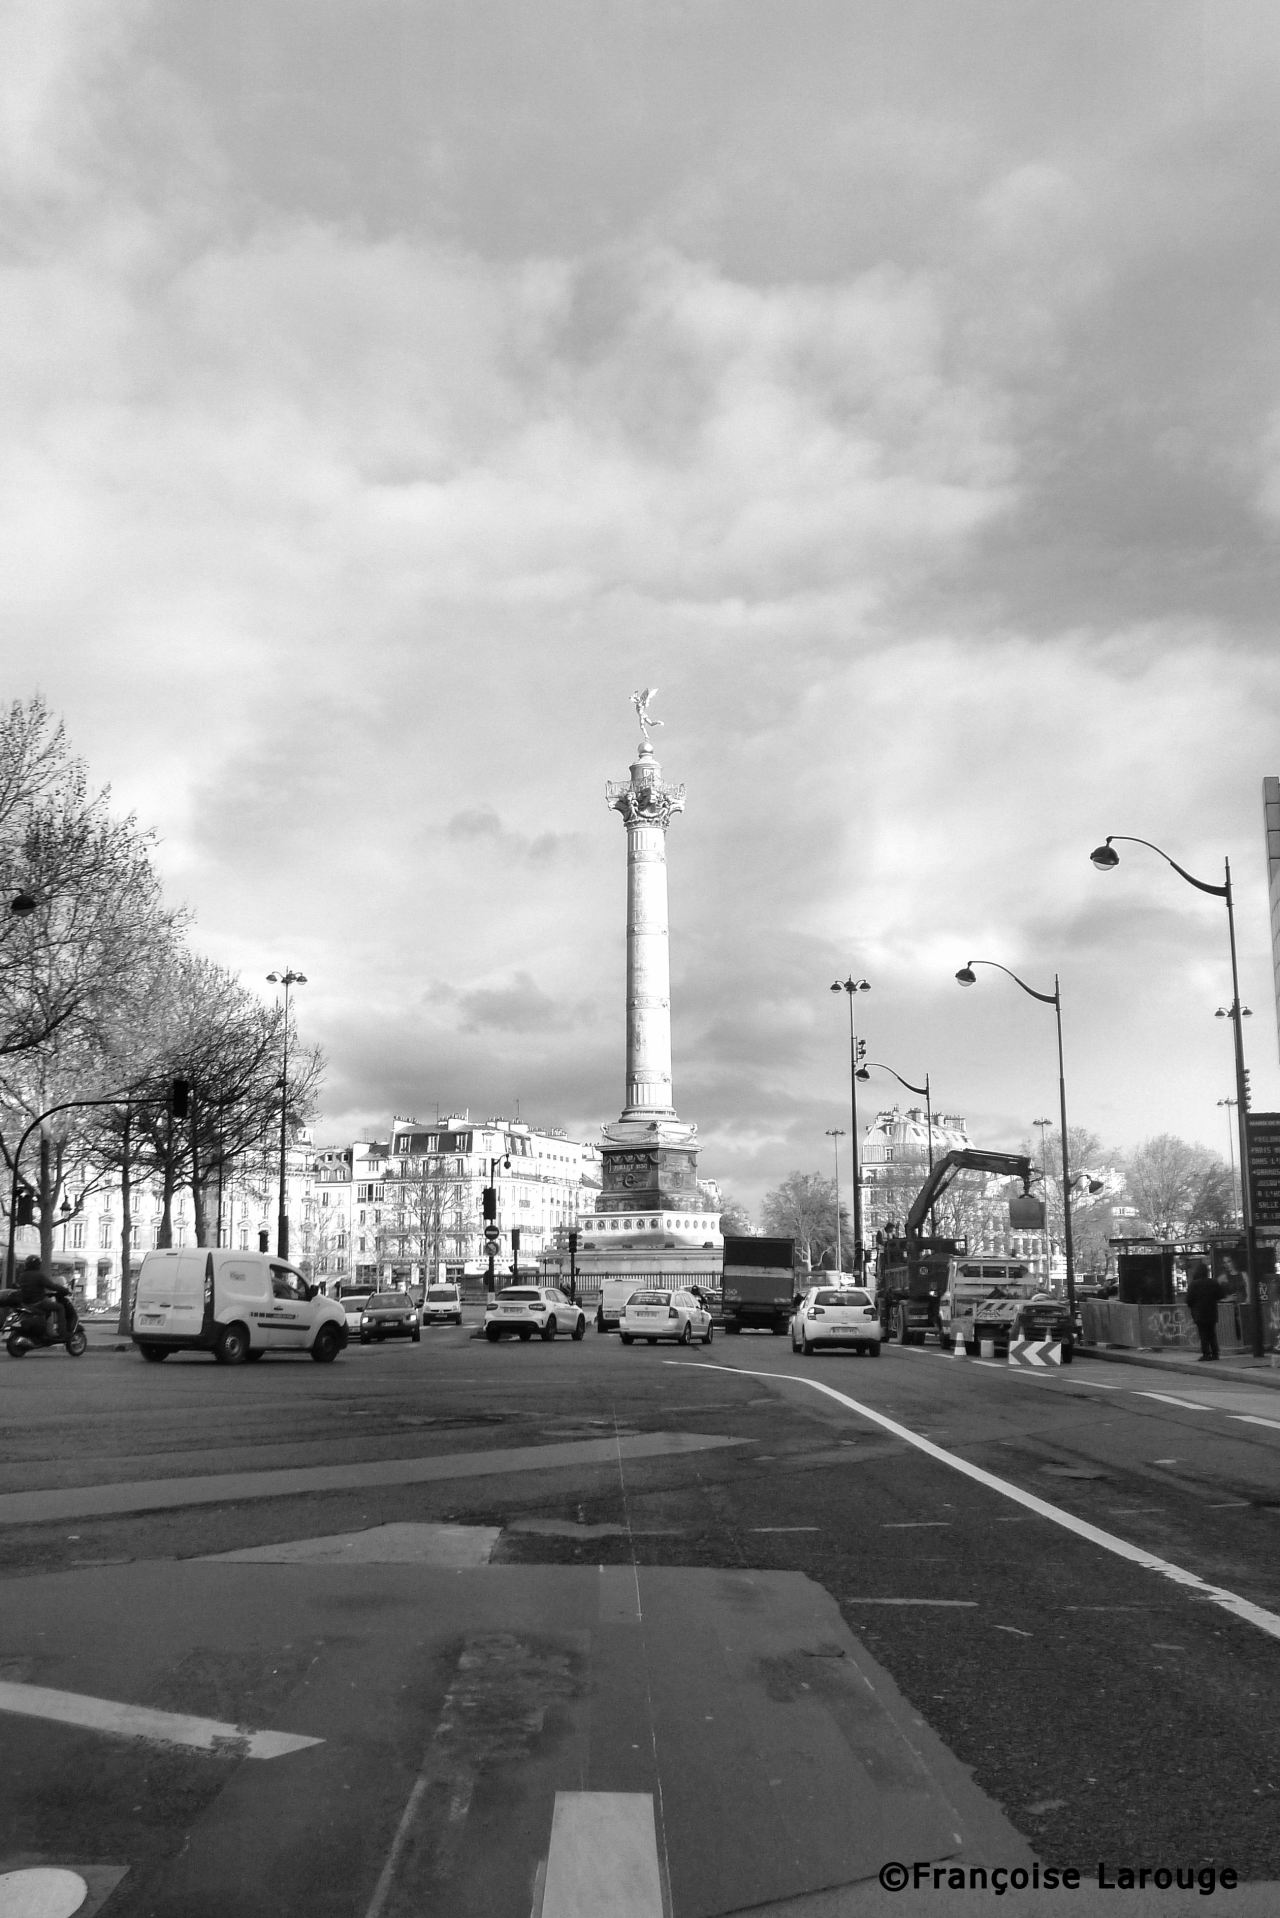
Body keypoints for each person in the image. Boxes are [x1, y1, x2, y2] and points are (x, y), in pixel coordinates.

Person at [1185, 1258, 1224, 1361]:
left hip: (1199, 1313)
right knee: (1212, 1333)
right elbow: (1220, 1295)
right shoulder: (1213, 1282)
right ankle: (1215, 1353)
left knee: (1203, 1334)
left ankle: (1206, 1353)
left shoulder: (1193, 1285)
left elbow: (1189, 1300)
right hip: (1211, 1311)